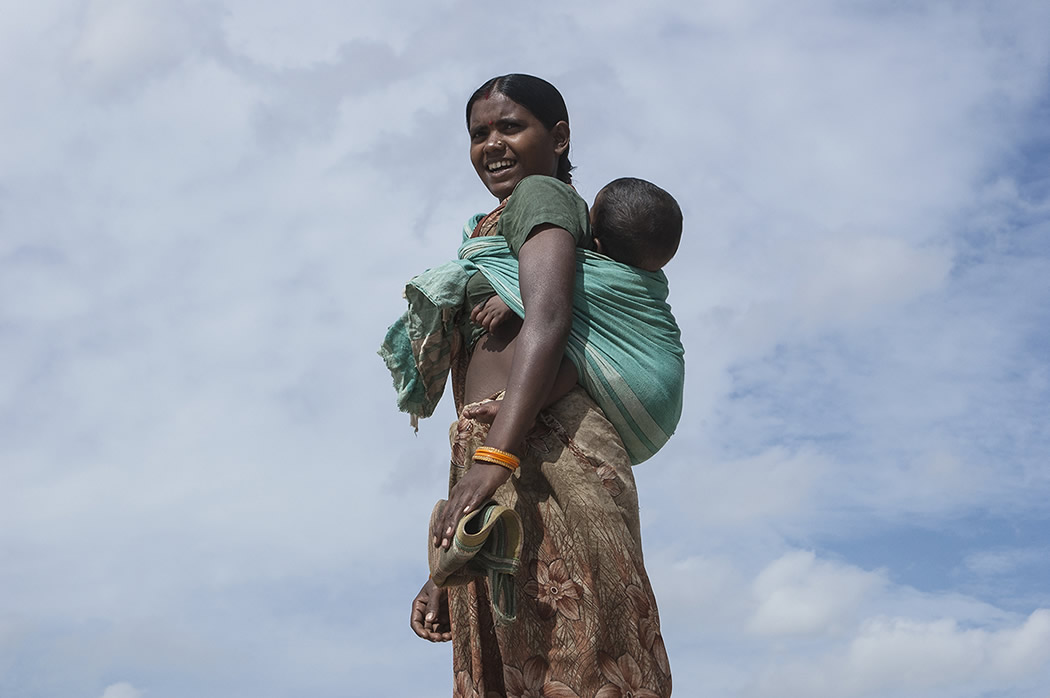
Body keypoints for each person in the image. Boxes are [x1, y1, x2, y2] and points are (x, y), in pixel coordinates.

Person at [389, 74, 676, 697]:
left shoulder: (540, 196)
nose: (492, 144)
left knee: (576, 665)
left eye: (510, 126)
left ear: (560, 137)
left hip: (541, 448)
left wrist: (494, 458)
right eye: (478, 133)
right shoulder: (495, 226)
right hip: (505, 450)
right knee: (529, 668)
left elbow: (548, 319)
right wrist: (444, 571)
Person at [466, 175, 684, 425]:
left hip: (639, 385)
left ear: (598, 245)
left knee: (573, 353)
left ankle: (514, 408)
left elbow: (551, 286)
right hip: (667, 391)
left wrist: (511, 297)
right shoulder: (648, 281)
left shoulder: (598, 273)